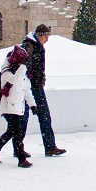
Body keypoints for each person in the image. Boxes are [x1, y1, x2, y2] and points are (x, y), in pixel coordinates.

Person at [0, 44, 37, 168]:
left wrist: (33, 105)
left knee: (11, 132)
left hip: (17, 107)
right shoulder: (6, 73)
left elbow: (27, 91)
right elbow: (14, 80)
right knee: (17, 133)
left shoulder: (22, 74)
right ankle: (21, 158)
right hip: (9, 107)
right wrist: (23, 67)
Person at [22, 24, 66, 157]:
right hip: (28, 87)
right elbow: (23, 66)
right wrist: (33, 78)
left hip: (35, 86)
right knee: (24, 118)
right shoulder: (28, 46)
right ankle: (19, 148)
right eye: (46, 36)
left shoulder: (37, 46)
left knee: (41, 116)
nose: (47, 39)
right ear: (39, 35)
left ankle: (50, 146)